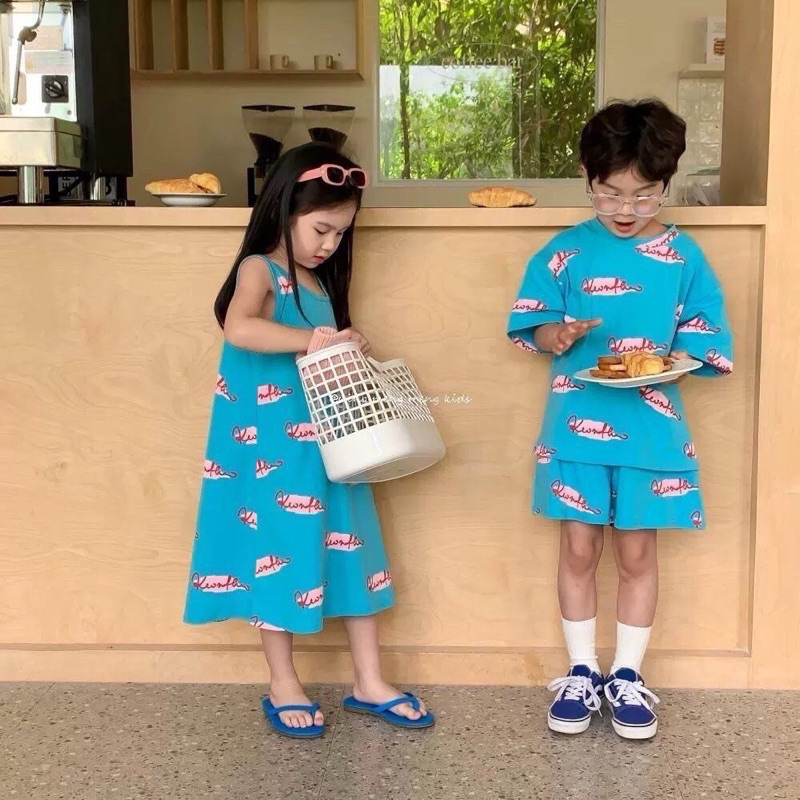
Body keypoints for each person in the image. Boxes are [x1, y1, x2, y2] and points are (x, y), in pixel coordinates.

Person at [184, 142, 434, 738]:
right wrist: (313, 340)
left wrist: (348, 343)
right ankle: (283, 682)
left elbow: (319, 353)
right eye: (322, 229)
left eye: (341, 234)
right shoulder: (259, 269)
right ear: (285, 209)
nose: (330, 244)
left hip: (334, 444)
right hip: (275, 453)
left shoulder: (318, 282)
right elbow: (239, 327)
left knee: (354, 549)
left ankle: (368, 679)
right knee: (280, 547)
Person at [507, 99, 733, 740]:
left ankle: (627, 676)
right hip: (575, 426)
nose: (627, 209)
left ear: (666, 184)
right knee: (578, 547)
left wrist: (676, 360)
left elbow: (707, 339)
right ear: (587, 178)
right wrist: (556, 334)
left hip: (653, 430)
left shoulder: (684, 256)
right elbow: (531, 325)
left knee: (638, 552)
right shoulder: (565, 252)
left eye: (644, 194)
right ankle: (581, 671)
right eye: (610, 193)